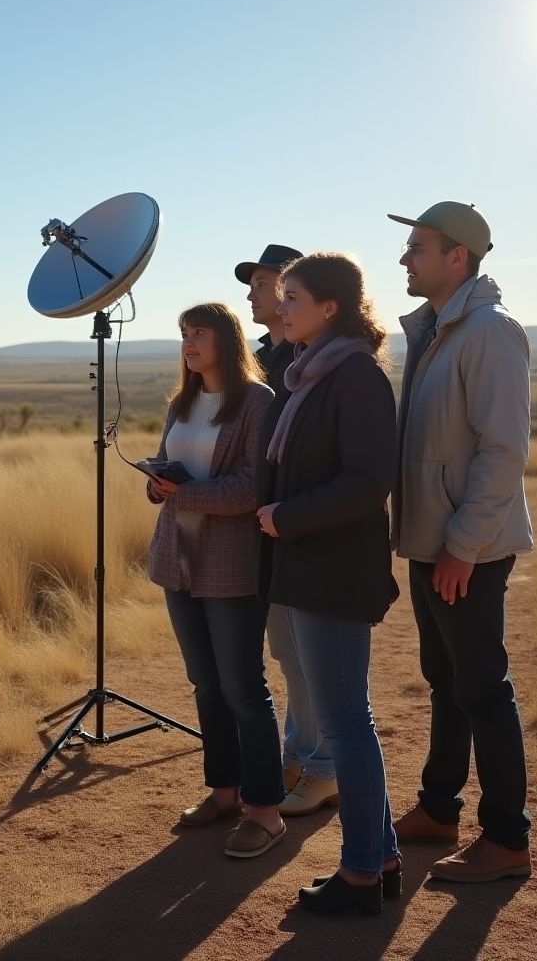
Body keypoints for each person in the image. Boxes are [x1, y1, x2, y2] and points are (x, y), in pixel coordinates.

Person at [387, 202, 533, 883]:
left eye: (417, 248)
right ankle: (439, 809)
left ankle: (506, 839)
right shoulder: (437, 331)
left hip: (465, 549)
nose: (404, 260)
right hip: (431, 541)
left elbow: (503, 453)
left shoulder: (489, 333)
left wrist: (463, 546)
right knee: (447, 681)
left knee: (482, 688)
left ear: (458, 258)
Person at [256, 252, 400, 915]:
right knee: (348, 721)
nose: (280, 306)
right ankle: (383, 858)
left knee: (346, 727)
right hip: (313, 567)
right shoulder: (312, 373)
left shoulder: (355, 378)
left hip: (335, 570)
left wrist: (286, 516)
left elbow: (369, 481)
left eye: (292, 296)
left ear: (330, 307)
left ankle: (360, 877)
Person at [146, 302, 286, 859]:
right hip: (176, 559)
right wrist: (157, 485)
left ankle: (265, 810)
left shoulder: (257, 401)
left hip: (229, 563)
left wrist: (188, 493)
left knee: (243, 689)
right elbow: (164, 460)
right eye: (183, 333)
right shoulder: (181, 402)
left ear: (226, 340)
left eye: (199, 332)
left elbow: (255, 484)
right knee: (205, 684)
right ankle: (223, 793)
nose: (188, 342)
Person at [236, 243, 339, 816]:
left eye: (261, 283)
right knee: (288, 652)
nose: (250, 293)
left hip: (297, 525)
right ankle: (299, 755)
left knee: (306, 654)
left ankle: (322, 766)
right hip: (269, 526)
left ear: (290, 290)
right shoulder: (261, 358)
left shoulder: (313, 361)